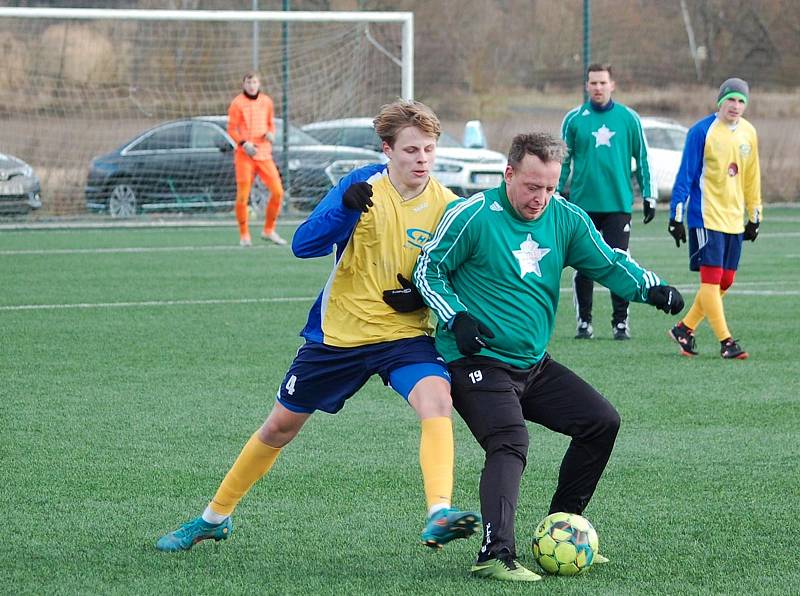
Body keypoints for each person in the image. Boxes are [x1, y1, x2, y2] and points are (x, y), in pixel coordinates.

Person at [156, 99, 480, 553]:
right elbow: (303, 245)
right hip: (338, 336)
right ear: (387, 150)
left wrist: (423, 297)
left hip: (403, 337)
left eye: (428, 149)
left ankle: (438, 511)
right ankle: (214, 517)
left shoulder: (448, 206)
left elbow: (453, 273)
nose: (421, 159)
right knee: (278, 429)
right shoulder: (361, 185)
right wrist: (345, 211)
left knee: (436, 399)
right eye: (410, 150)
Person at [413, 132, 684, 581]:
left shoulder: (565, 218)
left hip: (532, 365)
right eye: (532, 186)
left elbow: (608, 262)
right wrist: (456, 317)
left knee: (601, 422)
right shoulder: (472, 215)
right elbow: (428, 268)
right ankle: (494, 553)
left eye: (550, 188)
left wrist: (650, 289)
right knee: (510, 441)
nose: (540, 198)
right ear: (509, 173)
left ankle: (563, 528)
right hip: (476, 362)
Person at [558, 63, 657, 340]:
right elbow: (563, 161)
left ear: (612, 85)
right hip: (582, 206)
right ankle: (584, 323)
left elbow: (644, 158)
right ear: (587, 86)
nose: (598, 87)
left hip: (617, 205)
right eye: (593, 83)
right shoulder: (574, 119)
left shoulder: (628, 118)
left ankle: (620, 323)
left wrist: (649, 195)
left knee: (619, 263)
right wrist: (554, 192)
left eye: (603, 82)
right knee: (584, 265)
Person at [667, 77, 762, 360]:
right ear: (720, 101)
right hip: (705, 217)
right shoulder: (701, 131)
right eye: (731, 99)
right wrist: (676, 216)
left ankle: (685, 328)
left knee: (727, 280)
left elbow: (752, 177)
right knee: (711, 281)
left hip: (733, 219)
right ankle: (726, 342)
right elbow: (686, 175)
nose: (735, 105)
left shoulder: (748, 133)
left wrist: (755, 215)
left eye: (741, 101)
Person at [227, 72, 286, 247]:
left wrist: (271, 134)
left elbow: (271, 125)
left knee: (278, 192)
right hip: (245, 155)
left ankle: (269, 230)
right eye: (248, 82)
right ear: (243, 84)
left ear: (259, 84)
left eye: (254, 82)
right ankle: (244, 235)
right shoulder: (237, 103)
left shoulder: (266, 102)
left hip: (264, 154)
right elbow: (231, 129)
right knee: (243, 196)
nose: (251, 85)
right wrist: (244, 144)